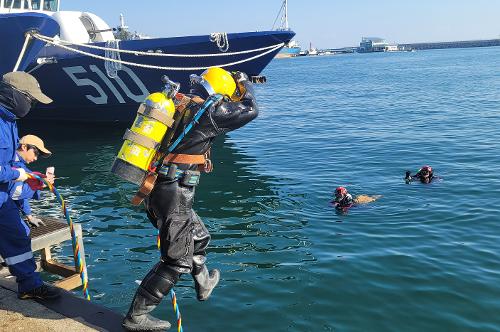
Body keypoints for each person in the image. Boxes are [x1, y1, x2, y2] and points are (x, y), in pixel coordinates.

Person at [122, 67, 259, 331]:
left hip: (159, 189)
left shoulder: (180, 103)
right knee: (176, 261)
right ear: (219, 94)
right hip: (172, 193)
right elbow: (251, 110)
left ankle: (204, 281)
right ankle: (136, 317)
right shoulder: (209, 111)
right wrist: (245, 84)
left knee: (199, 237)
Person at [0, 71, 60, 300]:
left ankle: (30, 285)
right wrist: (18, 175)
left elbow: (10, 163)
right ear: (14, 95)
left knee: (18, 237)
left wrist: (31, 181)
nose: (31, 104)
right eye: (30, 99)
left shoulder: (10, 122)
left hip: (2, 199)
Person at [10, 134, 54, 228]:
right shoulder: (11, 164)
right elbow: (15, 193)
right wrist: (38, 185)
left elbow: (19, 194)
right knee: (21, 235)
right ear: (24, 147)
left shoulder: (20, 165)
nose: (36, 158)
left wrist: (29, 216)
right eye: (36, 153)